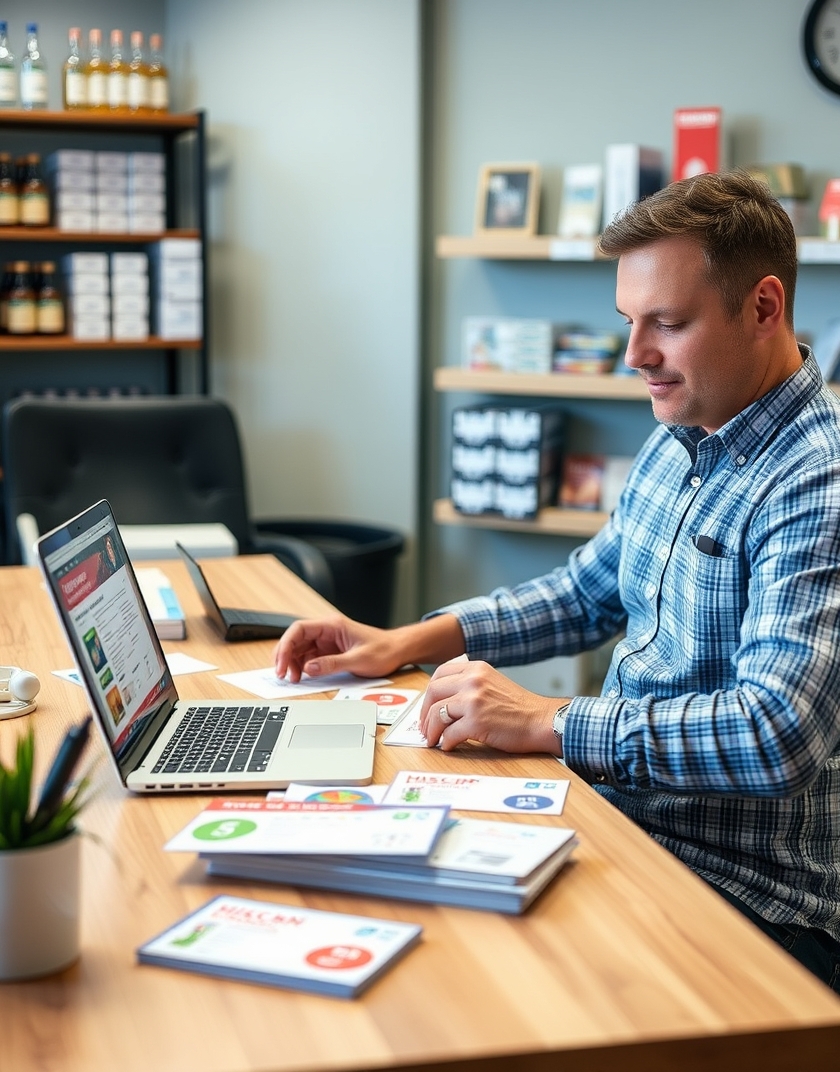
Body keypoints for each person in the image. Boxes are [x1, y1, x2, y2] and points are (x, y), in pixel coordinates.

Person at [275, 170, 840, 990]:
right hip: (626, 826)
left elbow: (777, 733)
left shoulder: (816, 483)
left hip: (749, 901)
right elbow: (587, 592)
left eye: (667, 325)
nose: (634, 355)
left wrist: (549, 720)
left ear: (762, 308)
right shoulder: (687, 426)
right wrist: (407, 639)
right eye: (628, 322)